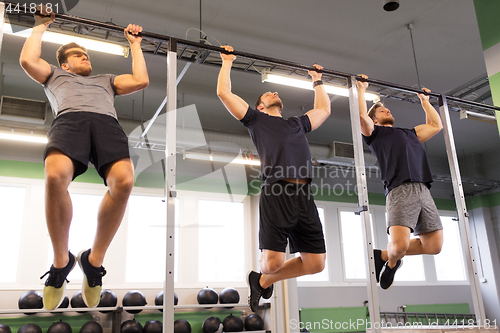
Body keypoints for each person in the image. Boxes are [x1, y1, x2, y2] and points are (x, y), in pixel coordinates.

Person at [20, 9, 149, 310]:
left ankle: (93, 262)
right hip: (70, 121)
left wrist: (135, 45)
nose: (85, 57)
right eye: (78, 55)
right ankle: (61, 262)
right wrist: (40, 27)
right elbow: (28, 60)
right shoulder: (53, 74)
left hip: (107, 125)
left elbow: (141, 80)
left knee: (125, 182)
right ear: (64, 63)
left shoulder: (107, 80)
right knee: (54, 177)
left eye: (86, 54)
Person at [217, 45, 330, 311]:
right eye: (269, 92)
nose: (275, 91)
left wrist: (317, 81)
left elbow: (323, 109)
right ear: (260, 105)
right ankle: (265, 275)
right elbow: (224, 92)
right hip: (277, 193)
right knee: (272, 263)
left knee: (317, 264)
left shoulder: (296, 123)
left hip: (304, 194)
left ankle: (262, 281)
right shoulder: (255, 120)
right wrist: (226, 61)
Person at [357, 74, 444, 290]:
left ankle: (383, 256)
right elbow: (360, 116)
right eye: (380, 110)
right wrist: (361, 89)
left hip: (423, 189)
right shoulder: (375, 134)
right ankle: (393, 261)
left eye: (387, 108)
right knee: (401, 245)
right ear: (374, 120)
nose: (387, 110)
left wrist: (425, 101)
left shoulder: (410, 133)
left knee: (434, 245)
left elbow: (436, 125)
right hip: (400, 189)